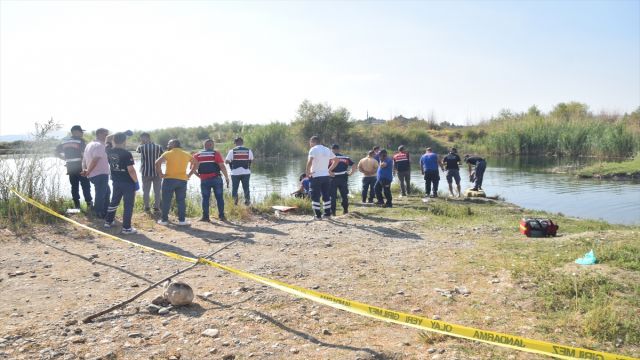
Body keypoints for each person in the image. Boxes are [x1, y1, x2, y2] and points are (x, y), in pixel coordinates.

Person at [155, 139, 198, 226]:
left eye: (169, 143)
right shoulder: (186, 154)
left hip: (169, 179)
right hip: (182, 180)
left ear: (174, 144)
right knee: (181, 201)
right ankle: (182, 221)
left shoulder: (168, 153)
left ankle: (164, 220)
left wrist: (160, 174)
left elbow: (157, 162)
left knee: (166, 200)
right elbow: (196, 163)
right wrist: (189, 175)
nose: (168, 145)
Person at [103, 132, 139, 234]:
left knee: (114, 201)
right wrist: (136, 182)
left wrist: (122, 132)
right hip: (128, 183)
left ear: (113, 140)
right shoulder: (126, 153)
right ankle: (126, 228)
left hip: (116, 182)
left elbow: (107, 138)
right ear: (125, 141)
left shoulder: (108, 150)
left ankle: (108, 222)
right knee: (128, 205)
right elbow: (131, 170)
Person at [56, 125, 93, 209]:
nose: (82, 133)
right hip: (80, 166)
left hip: (70, 167)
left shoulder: (64, 141)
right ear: (75, 132)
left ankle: (77, 206)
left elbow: (56, 152)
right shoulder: (80, 141)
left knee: (74, 186)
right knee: (85, 185)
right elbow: (85, 154)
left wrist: (65, 159)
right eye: (81, 131)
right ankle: (89, 204)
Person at [194, 139, 230, 222]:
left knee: (205, 198)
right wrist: (226, 177)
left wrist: (199, 176)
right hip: (216, 179)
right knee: (219, 198)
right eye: (212, 145)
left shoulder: (197, 155)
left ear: (204, 145)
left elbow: (193, 169)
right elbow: (222, 166)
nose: (212, 146)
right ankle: (222, 216)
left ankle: (205, 217)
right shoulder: (215, 153)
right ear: (211, 145)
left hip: (204, 180)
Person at [305, 136, 338, 220]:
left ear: (313, 141)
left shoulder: (313, 149)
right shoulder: (327, 149)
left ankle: (318, 216)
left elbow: (310, 161)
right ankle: (327, 214)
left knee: (315, 196)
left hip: (316, 176)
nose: (310, 144)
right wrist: (329, 170)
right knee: (326, 195)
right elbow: (336, 160)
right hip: (326, 176)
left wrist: (307, 172)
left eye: (310, 142)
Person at [81, 128, 111, 218]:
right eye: (106, 135)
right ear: (99, 134)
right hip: (100, 174)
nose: (107, 137)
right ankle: (99, 214)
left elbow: (84, 159)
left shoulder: (89, 144)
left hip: (93, 174)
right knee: (101, 194)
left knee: (106, 192)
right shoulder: (100, 145)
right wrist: (87, 171)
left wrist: (85, 170)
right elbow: (95, 160)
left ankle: (105, 212)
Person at [136, 132, 164, 212]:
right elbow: (163, 157)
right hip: (157, 172)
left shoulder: (141, 147)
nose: (141, 140)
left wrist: (141, 143)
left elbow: (137, 151)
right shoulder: (159, 147)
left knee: (146, 191)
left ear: (145, 138)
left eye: (141, 138)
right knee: (157, 191)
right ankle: (156, 207)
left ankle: (147, 207)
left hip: (146, 173)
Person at [225, 137, 254, 206]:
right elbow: (252, 160)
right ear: (242, 142)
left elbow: (226, 161)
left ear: (235, 143)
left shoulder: (232, 151)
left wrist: (231, 161)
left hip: (235, 173)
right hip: (246, 172)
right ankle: (247, 203)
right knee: (246, 188)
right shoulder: (248, 150)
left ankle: (235, 204)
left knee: (235, 189)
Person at [329, 144, 356, 215]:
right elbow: (354, 165)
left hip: (332, 178)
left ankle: (333, 212)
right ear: (338, 149)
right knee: (344, 195)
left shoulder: (329, 158)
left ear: (332, 150)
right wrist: (351, 173)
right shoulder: (346, 158)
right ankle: (345, 210)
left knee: (333, 196)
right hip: (343, 178)